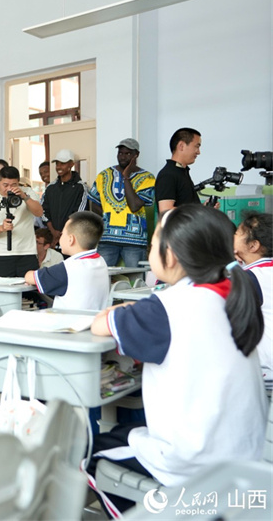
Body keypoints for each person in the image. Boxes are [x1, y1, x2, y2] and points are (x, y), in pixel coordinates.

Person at [88, 204, 267, 513]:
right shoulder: (234, 291)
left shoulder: (166, 307)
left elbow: (99, 325)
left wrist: (115, 312)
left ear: (169, 255)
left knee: (92, 454)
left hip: (192, 461)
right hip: (245, 453)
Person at [87, 138, 155, 268]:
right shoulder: (104, 175)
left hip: (134, 240)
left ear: (136, 155)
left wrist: (126, 177)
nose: (123, 157)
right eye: (120, 153)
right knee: (101, 276)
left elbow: (135, 206)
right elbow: (94, 202)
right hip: (107, 238)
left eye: (128, 154)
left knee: (136, 279)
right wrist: (106, 219)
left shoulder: (147, 177)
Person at [25, 211, 109, 311]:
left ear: (71, 239)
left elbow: (30, 277)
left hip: (67, 324)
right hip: (92, 323)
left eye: (62, 234)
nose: (60, 237)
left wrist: (29, 275)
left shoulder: (68, 268)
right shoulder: (100, 261)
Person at [0, 166, 43, 277]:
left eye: (14, 185)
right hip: (2, 254)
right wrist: (2, 227)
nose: (9, 188)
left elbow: (39, 212)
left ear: (18, 182)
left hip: (27, 252)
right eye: (5, 185)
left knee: (30, 292)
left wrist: (24, 196)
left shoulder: (28, 192)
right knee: (3, 291)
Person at [234, 211, 273, 387]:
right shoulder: (263, 271)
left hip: (266, 369)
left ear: (253, 246)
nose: (232, 236)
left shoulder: (253, 278)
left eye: (237, 233)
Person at [42, 149, 88, 249]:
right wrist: (53, 232)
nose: (58, 167)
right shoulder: (50, 188)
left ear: (71, 164)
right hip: (53, 242)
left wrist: (63, 233)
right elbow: (43, 211)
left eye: (62, 163)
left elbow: (79, 214)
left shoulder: (80, 187)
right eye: (57, 164)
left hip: (72, 241)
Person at [154, 127, 201, 215]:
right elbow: (166, 210)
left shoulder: (182, 172)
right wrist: (198, 211)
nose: (198, 152)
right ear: (181, 146)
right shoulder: (168, 175)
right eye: (196, 146)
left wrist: (204, 208)